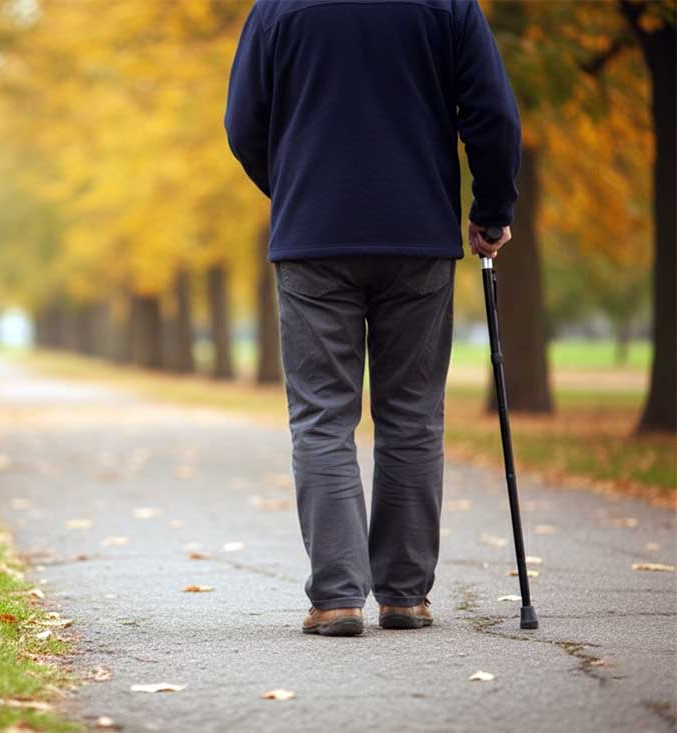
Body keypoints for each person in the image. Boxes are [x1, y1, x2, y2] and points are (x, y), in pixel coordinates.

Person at [225, 0, 521, 637]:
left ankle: (336, 599)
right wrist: (492, 209)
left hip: (313, 239)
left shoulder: (277, 7)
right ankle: (405, 596)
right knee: (412, 415)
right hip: (417, 235)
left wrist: (297, 187)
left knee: (321, 418)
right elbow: (493, 114)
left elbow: (243, 123)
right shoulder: (449, 6)